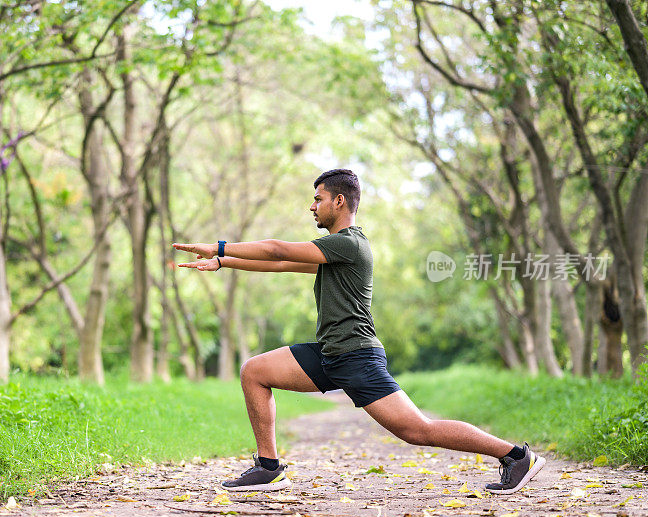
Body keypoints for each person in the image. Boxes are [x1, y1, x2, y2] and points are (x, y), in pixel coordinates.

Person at [172, 168, 545, 495]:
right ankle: (268, 467)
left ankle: (516, 456)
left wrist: (218, 244)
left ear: (338, 201)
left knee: (417, 430)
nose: (312, 207)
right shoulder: (333, 252)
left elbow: (274, 249)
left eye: (317, 199)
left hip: (356, 356)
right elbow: (283, 263)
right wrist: (223, 261)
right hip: (329, 353)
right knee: (254, 371)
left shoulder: (349, 246)